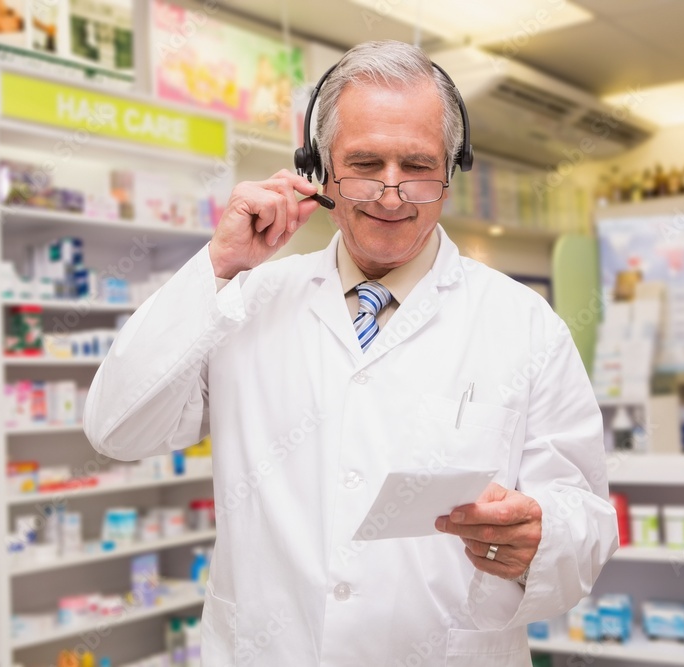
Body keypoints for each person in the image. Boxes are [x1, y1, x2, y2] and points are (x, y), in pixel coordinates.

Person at [84, 40, 617, 667]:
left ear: (452, 170)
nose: (391, 195)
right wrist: (219, 266)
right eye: (365, 163)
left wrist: (542, 536)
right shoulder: (248, 300)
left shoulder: (524, 324)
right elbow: (116, 428)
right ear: (321, 170)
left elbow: (586, 521)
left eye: (416, 165)